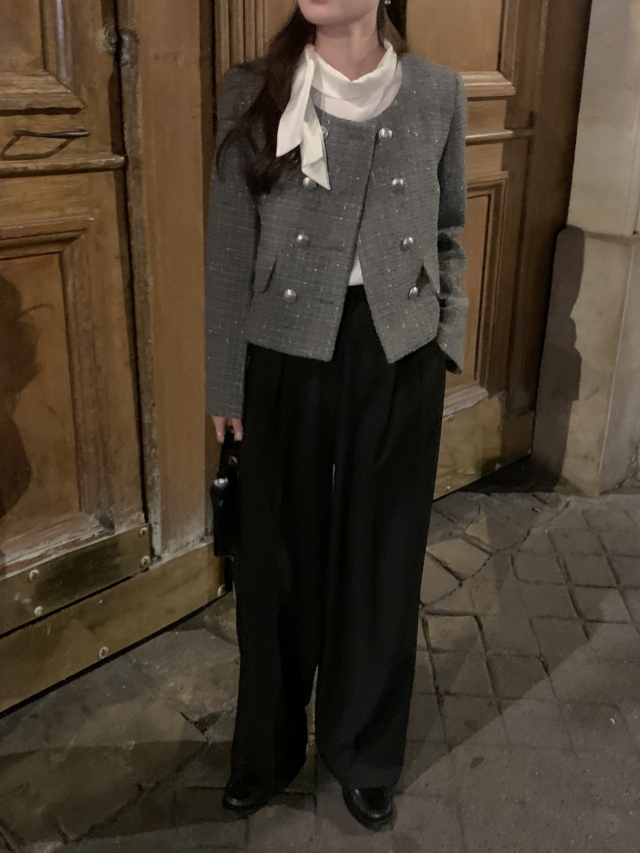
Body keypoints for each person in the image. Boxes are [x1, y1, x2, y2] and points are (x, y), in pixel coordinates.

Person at [205, 0, 468, 832]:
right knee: (277, 560)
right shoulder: (252, 89)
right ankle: (268, 749)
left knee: (382, 556)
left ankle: (365, 752)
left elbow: (448, 229)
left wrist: (444, 338)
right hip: (283, 348)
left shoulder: (437, 90)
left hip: (397, 349)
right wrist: (225, 383)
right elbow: (229, 242)